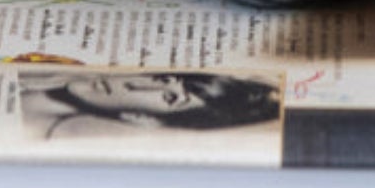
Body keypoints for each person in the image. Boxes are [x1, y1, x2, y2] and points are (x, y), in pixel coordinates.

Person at [16, 69, 279, 139]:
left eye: (168, 97)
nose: (136, 85)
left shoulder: (45, 130)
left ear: (143, 118)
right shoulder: (40, 77)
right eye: (163, 79)